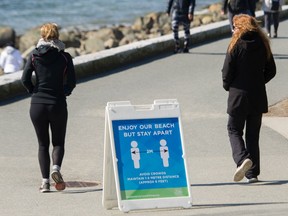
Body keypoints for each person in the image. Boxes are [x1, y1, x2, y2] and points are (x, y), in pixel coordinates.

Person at [21, 23, 76, 193]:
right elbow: (72, 82)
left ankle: (45, 183)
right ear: (57, 35)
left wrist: (33, 91)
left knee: (42, 145)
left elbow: (24, 79)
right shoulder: (65, 57)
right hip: (57, 103)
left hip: (37, 105)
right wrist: (64, 92)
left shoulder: (34, 56)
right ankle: (56, 169)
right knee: (58, 142)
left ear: (42, 36)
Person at [221, 14, 276, 183]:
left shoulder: (235, 45)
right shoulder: (263, 43)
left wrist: (228, 86)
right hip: (258, 96)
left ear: (241, 28)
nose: (233, 30)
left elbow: (226, 72)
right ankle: (252, 174)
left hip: (238, 95)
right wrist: (259, 82)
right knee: (253, 135)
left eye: (235, 27)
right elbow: (271, 70)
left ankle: (242, 159)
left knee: (233, 129)